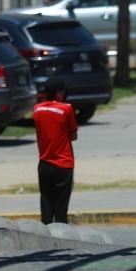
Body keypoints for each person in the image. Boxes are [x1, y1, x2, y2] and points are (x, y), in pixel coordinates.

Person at [33, 77, 78, 224]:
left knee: (46, 203)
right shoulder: (67, 108)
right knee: (61, 208)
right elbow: (73, 135)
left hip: (44, 163)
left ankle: (46, 234)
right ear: (59, 93)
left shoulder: (37, 109)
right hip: (63, 163)